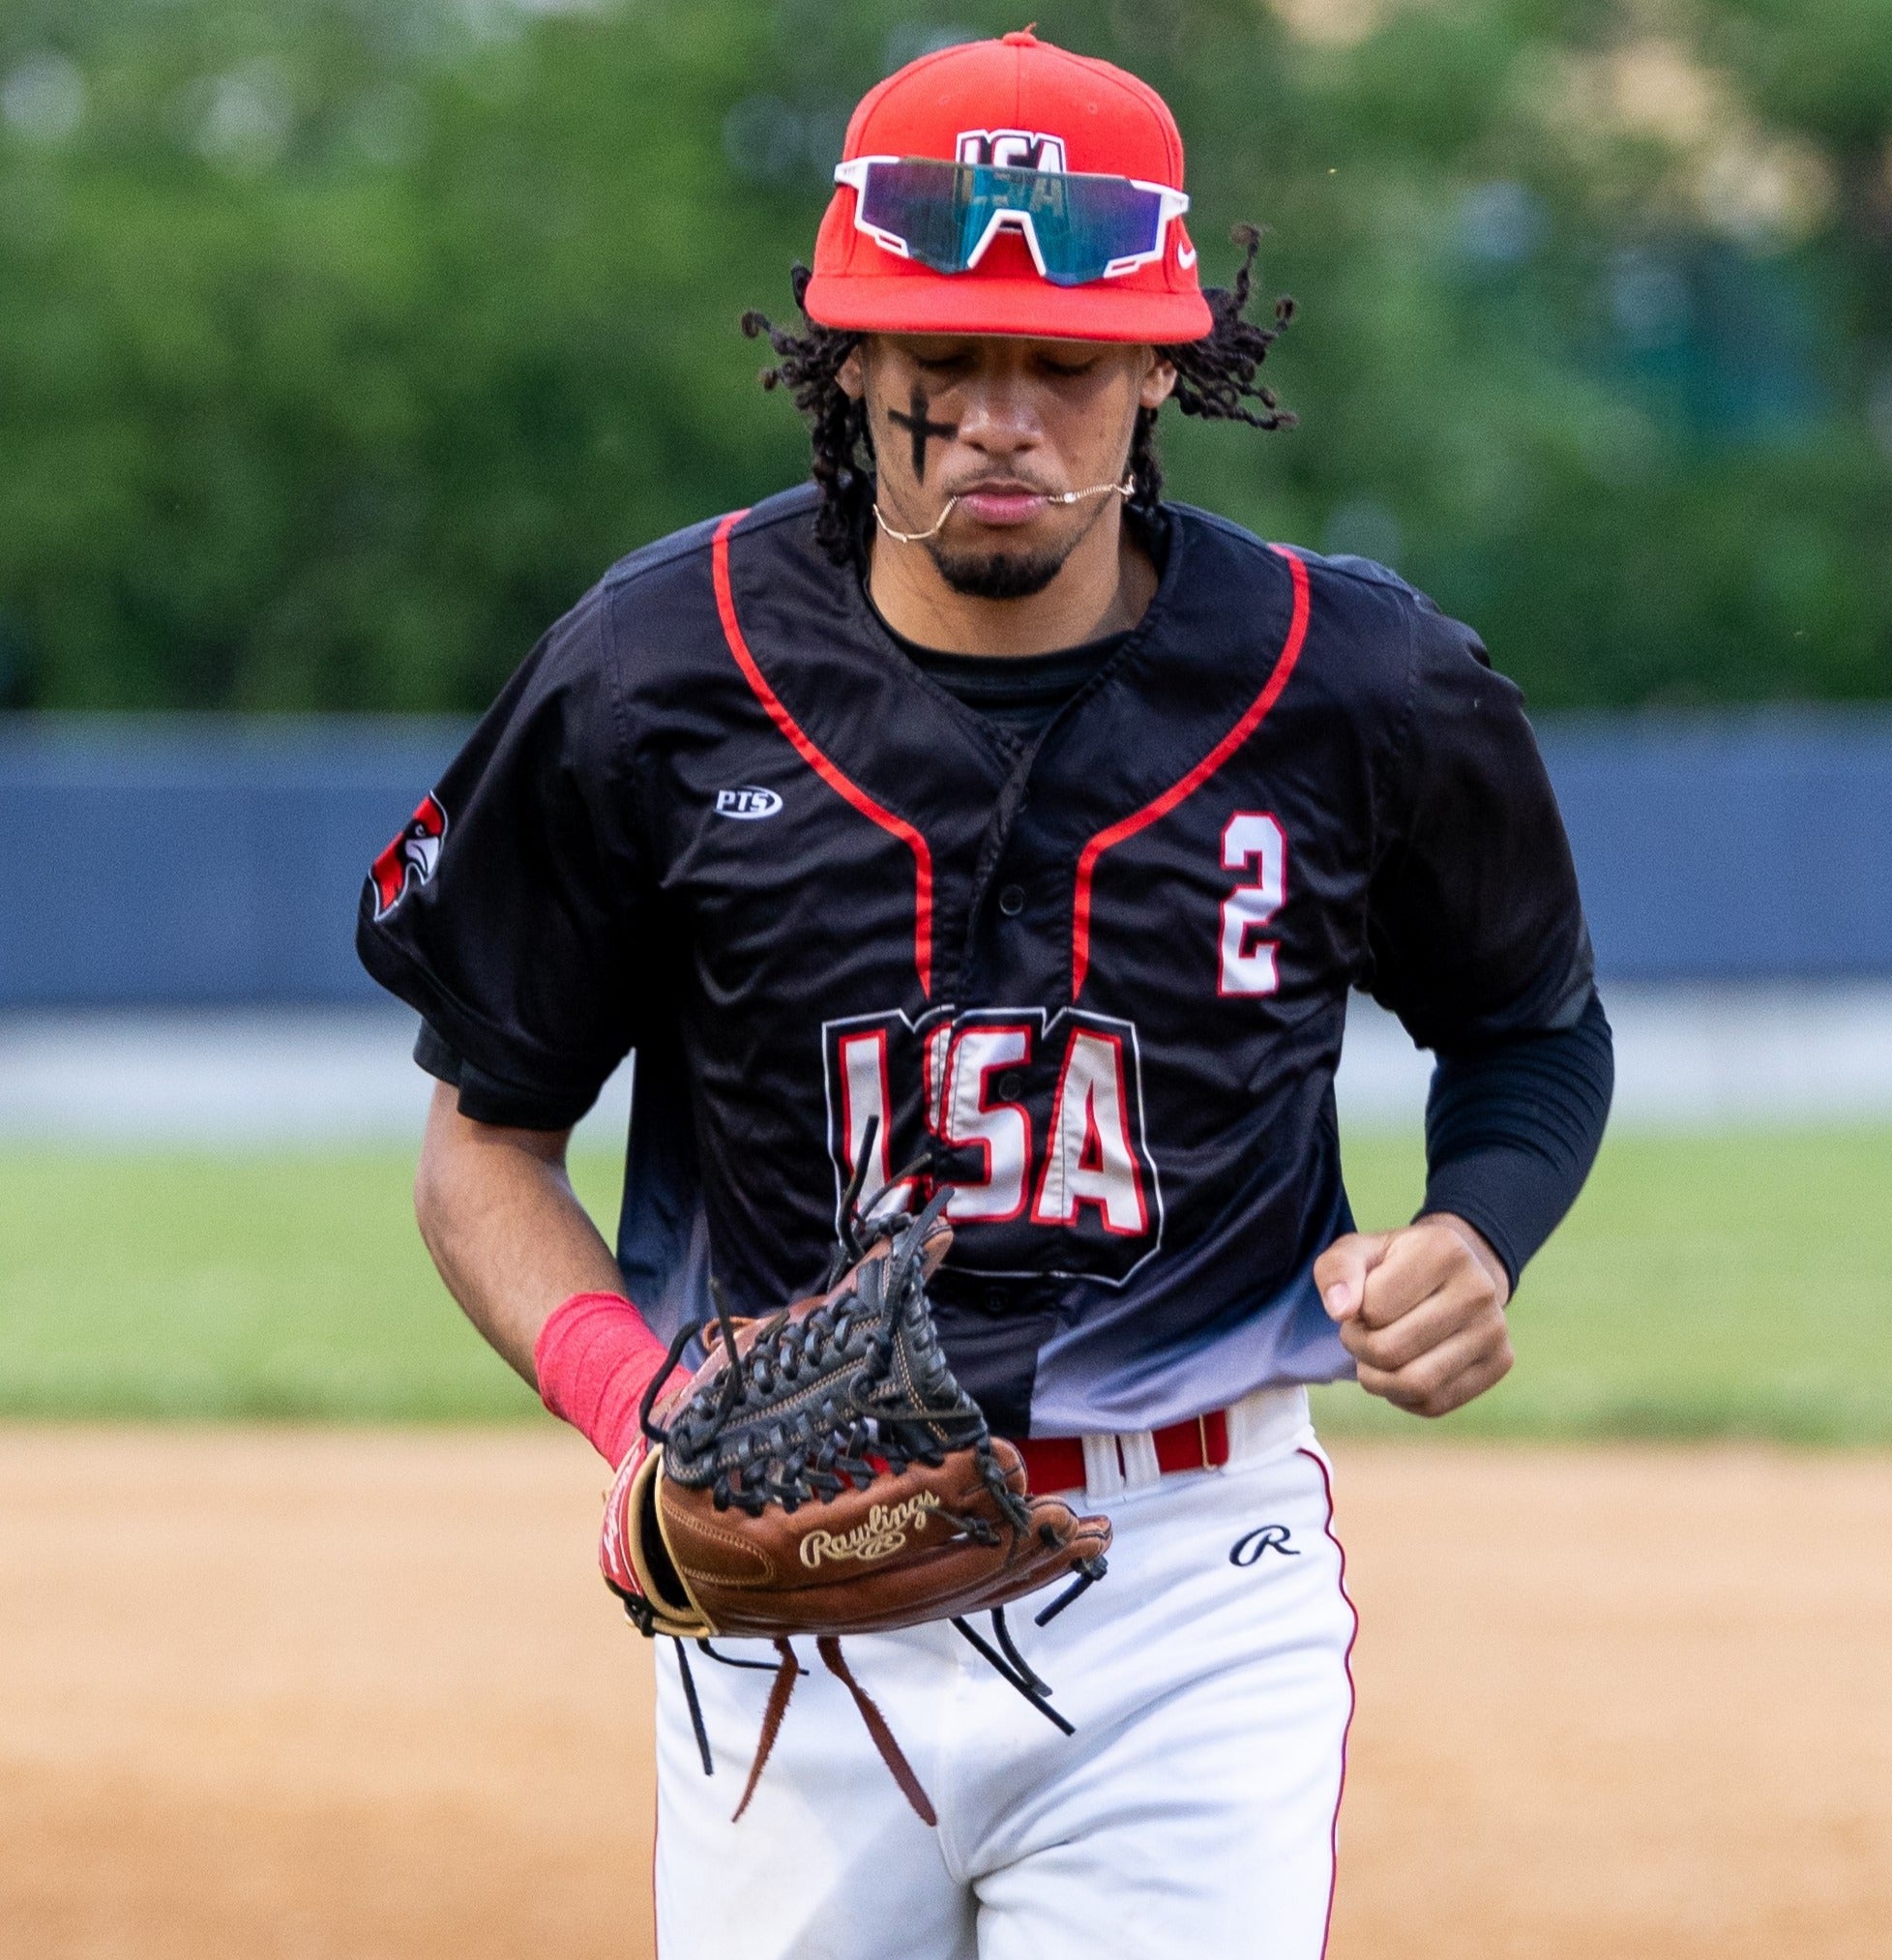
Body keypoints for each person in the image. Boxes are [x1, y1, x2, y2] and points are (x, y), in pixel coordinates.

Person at [357, 29, 1612, 1958]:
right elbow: (482, 1140)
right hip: (792, 1576)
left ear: (1159, 370)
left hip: (1193, 1572)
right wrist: (647, 1406)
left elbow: (1527, 1031)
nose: (1003, 417)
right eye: (943, 360)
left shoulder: (1355, 687)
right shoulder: (650, 675)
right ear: (851, 363)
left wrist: (1475, 1225)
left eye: (1065, 364)